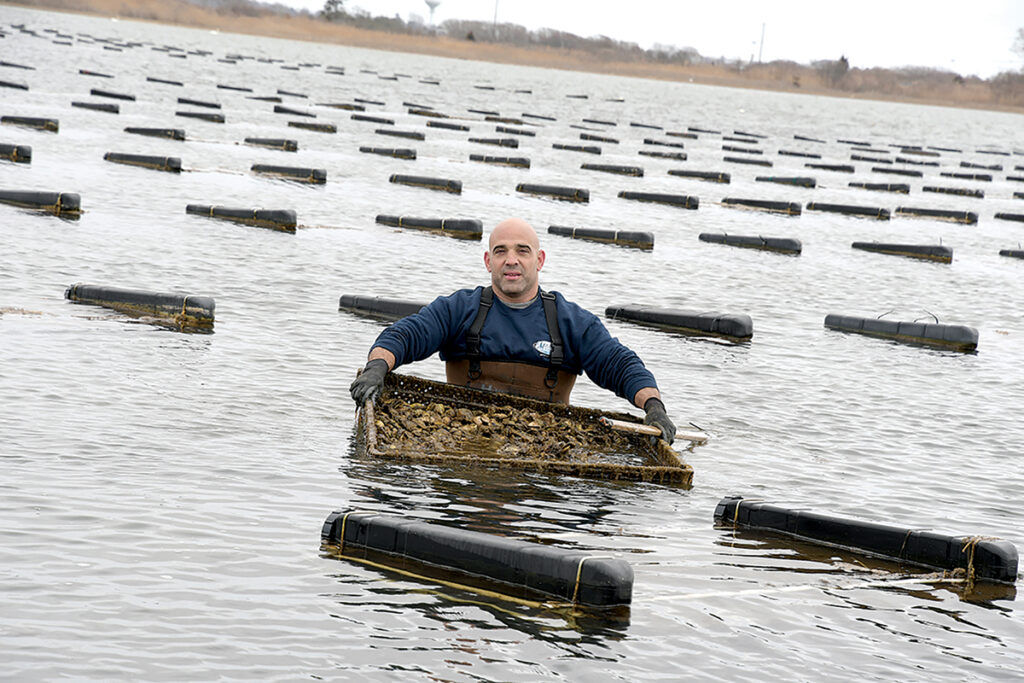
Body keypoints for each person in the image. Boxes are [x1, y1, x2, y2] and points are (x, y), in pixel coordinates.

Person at [349, 217, 677, 443]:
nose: (511, 260)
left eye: (522, 250)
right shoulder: (459, 309)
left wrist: (654, 407)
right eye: (500, 251)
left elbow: (620, 364)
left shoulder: (570, 322)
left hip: (545, 450)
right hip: (461, 442)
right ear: (487, 261)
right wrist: (377, 367)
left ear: (540, 259)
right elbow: (407, 333)